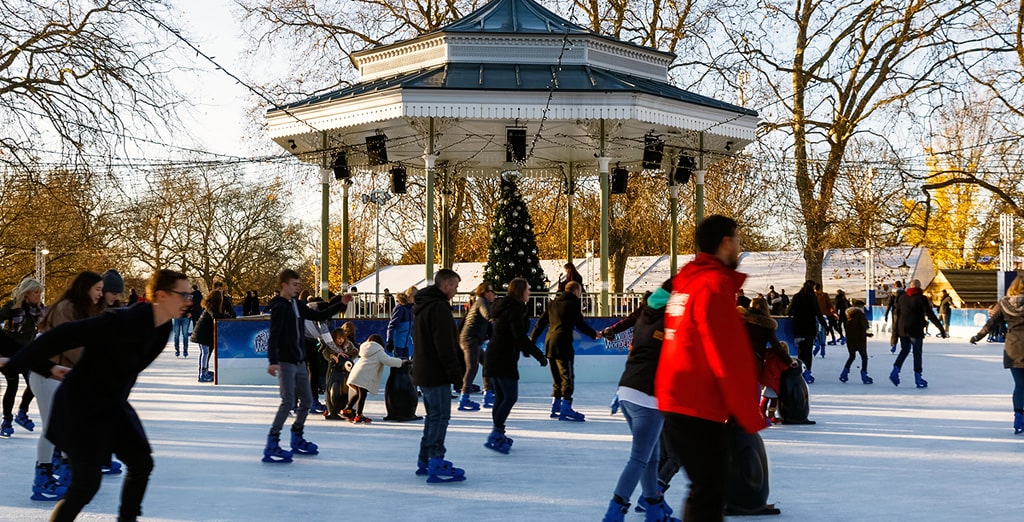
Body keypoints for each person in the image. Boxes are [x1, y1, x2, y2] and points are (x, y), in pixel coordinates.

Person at [0, 269, 192, 521]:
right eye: (184, 294)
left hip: (111, 405)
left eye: (191, 294)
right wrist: (27, 364)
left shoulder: (161, 328)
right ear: (162, 295)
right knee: (86, 485)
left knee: (141, 463)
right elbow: (61, 335)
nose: (190, 300)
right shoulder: (120, 321)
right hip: (79, 405)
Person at [655, 215, 765, 521]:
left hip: (677, 396)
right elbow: (726, 353)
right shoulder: (712, 285)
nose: (739, 250)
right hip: (696, 403)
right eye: (738, 242)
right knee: (710, 490)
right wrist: (746, 411)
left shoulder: (687, 281)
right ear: (726, 243)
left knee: (706, 488)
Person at [27, 271, 105, 501]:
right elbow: (69, 342)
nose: (100, 294)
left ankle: (64, 467)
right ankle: (42, 477)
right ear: (85, 288)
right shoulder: (66, 308)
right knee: (53, 427)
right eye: (97, 289)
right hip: (47, 374)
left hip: (63, 375)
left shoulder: (82, 310)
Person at [602, 280, 675, 521]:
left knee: (651, 457)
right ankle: (615, 510)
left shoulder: (646, 311)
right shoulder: (672, 319)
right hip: (648, 397)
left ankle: (653, 510)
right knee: (639, 458)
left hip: (627, 390)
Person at [262, 269, 350, 464]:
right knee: (287, 402)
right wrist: (273, 360)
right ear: (284, 285)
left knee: (307, 401)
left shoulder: (297, 305)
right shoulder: (279, 307)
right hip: (285, 361)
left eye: (298, 284)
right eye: (294, 284)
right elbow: (274, 335)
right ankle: (272, 443)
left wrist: (340, 304)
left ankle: (296, 437)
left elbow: (319, 315)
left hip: (299, 359)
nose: (298, 287)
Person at [412, 269, 466, 483]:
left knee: (433, 416)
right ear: (445, 285)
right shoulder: (439, 308)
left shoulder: (423, 306)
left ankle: (425, 459)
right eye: (455, 286)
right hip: (436, 372)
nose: (456, 290)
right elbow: (445, 346)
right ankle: (435, 459)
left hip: (424, 371)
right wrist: (456, 375)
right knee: (440, 416)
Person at [481, 277, 546, 455]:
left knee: (502, 397)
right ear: (520, 291)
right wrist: (538, 354)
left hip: (494, 355)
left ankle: (498, 433)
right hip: (503, 358)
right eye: (528, 289)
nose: (530, 293)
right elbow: (519, 336)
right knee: (509, 397)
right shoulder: (515, 309)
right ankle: (496, 433)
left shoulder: (504, 306)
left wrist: (524, 350)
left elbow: (512, 334)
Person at [530, 280, 599, 422]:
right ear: (576, 291)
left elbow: (540, 324)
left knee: (556, 377)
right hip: (563, 345)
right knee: (567, 376)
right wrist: (594, 334)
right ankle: (566, 407)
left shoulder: (553, 304)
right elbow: (580, 324)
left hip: (550, 343)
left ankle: (556, 406)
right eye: (580, 291)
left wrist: (532, 340)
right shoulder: (573, 304)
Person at [969, 276, 1024, 434]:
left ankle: (1018, 418)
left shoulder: (1004, 304)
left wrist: (977, 336)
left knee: (1020, 385)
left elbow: (991, 323)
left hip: (1013, 348)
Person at [0, 277, 44, 437]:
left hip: (26, 353)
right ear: (26, 294)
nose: (39, 296)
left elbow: (49, 326)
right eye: (36, 292)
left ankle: (22, 412)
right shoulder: (11, 307)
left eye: (40, 293)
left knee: (34, 383)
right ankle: (7, 421)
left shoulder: (39, 310)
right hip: (8, 354)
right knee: (12, 386)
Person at [890, 279, 945, 388]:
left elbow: (896, 316)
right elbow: (930, 315)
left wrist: (895, 334)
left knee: (904, 350)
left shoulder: (902, 298)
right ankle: (918, 378)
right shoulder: (922, 299)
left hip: (903, 329)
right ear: (919, 287)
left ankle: (895, 371)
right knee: (917, 353)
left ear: (910, 287)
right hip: (915, 329)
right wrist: (941, 329)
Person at [343, 334, 404, 423]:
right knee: (362, 395)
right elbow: (388, 361)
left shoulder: (365, 350)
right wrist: (401, 362)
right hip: (363, 377)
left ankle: (347, 409)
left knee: (358, 394)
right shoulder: (378, 351)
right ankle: (359, 415)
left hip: (354, 375)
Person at [458, 283, 494, 411]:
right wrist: (496, 318)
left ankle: (488, 394)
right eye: (491, 291)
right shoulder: (482, 302)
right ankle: (464, 397)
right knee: (472, 367)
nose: (494, 294)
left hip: (473, 339)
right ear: (485, 292)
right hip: (469, 339)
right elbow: (487, 316)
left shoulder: (482, 302)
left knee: (487, 364)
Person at [787, 280, 828, 383]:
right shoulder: (812, 297)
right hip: (809, 329)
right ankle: (807, 373)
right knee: (808, 353)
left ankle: (800, 372)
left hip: (798, 328)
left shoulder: (796, 296)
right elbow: (818, 312)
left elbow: (789, 311)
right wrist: (825, 326)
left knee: (800, 352)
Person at [190, 290, 229, 383]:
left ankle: (205, 370)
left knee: (207, 352)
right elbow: (215, 316)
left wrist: (225, 315)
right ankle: (202, 373)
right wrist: (225, 316)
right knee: (205, 352)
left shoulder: (213, 307)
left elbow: (217, 315)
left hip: (205, 333)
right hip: (202, 334)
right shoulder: (211, 306)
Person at [840, 299, 873, 384]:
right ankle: (864, 375)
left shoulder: (848, 315)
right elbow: (864, 326)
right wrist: (867, 331)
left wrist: (866, 334)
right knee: (864, 357)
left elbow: (852, 328)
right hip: (860, 340)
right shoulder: (860, 314)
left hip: (850, 339)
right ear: (860, 307)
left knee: (852, 356)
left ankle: (844, 373)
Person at [387, 286, 416, 359]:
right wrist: (390, 340)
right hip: (398, 344)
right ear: (410, 296)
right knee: (399, 365)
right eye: (414, 297)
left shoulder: (410, 309)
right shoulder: (400, 308)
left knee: (405, 364)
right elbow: (392, 325)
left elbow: (411, 328)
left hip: (405, 344)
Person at [884, 280, 905, 352]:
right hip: (904, 313)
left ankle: (893, 345)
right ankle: (905, 345)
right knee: (903, 329)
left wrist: (886, 314)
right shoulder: (904, 293)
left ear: (895, 286)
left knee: (895, 329)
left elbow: (889, 305)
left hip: (895, 313)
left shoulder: (892, 294)